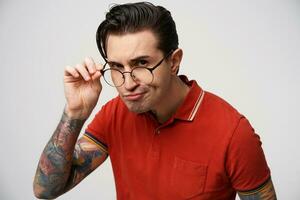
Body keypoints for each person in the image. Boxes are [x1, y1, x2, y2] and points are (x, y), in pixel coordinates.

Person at [33, 2, 277, 199]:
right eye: (117, 66)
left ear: (174, 61)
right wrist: (75, 113)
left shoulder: (233, 134)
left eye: (141, 63)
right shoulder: (114, 113)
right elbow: (46, 190)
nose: (127, 83)